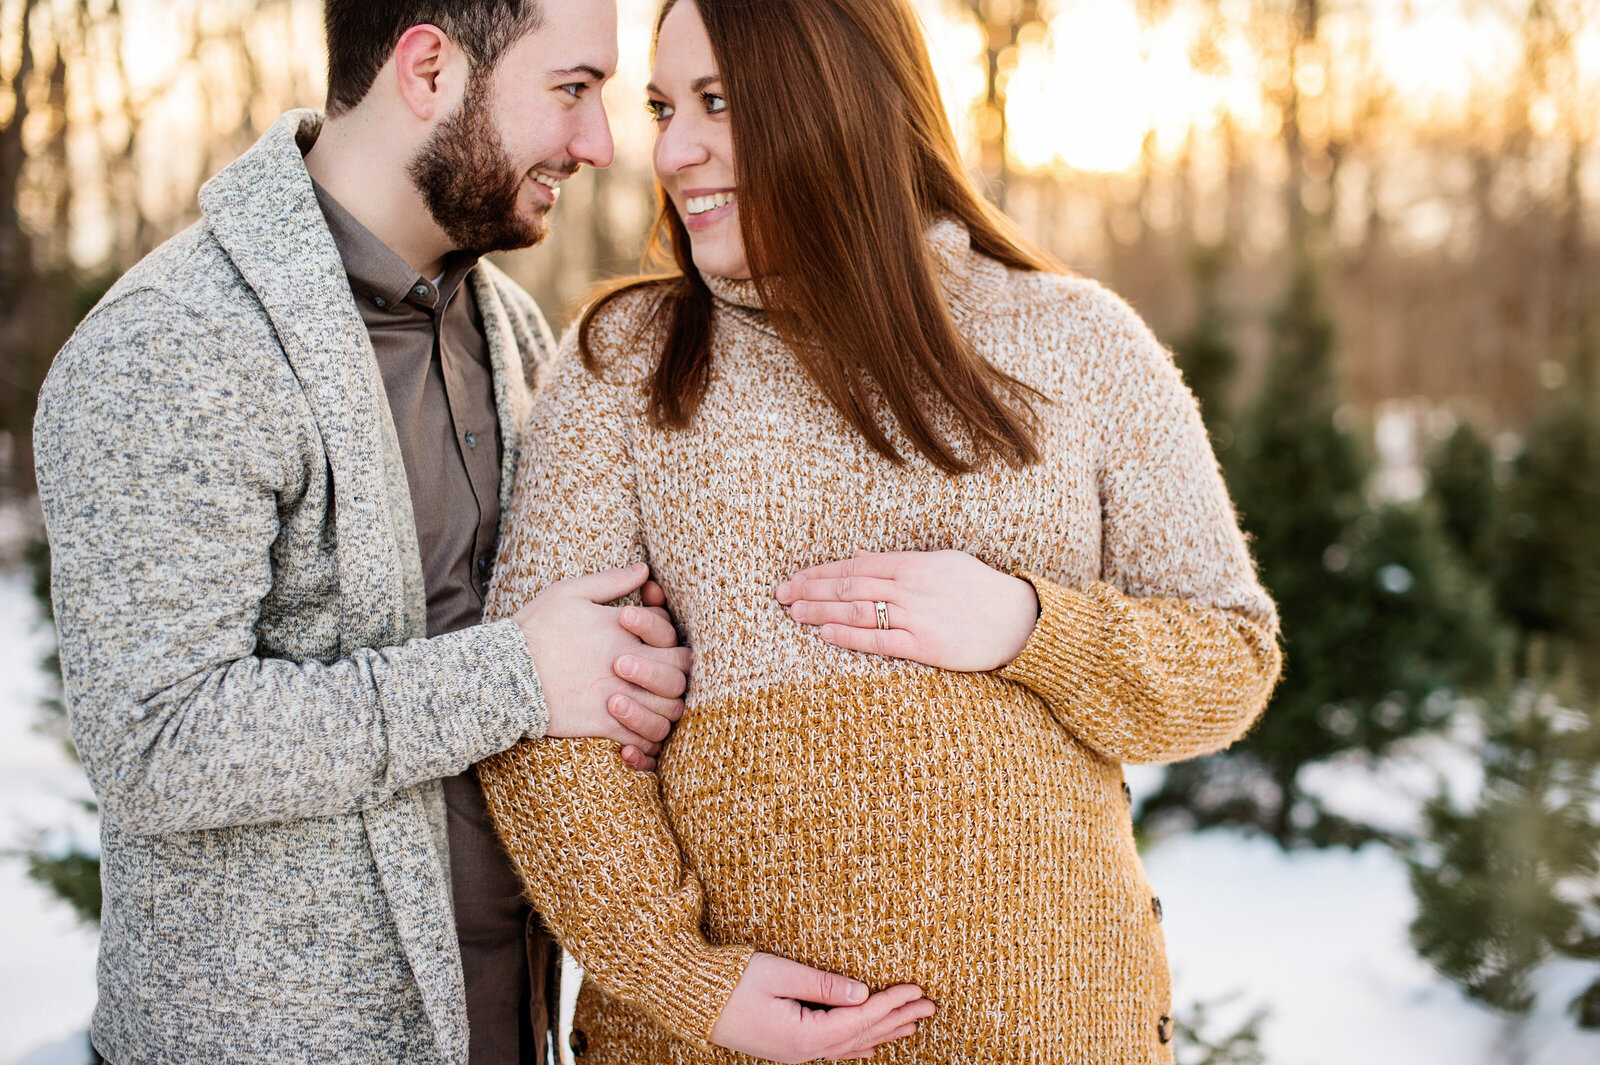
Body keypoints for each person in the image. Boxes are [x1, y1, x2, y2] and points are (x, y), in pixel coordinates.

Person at [33, 2, 915, 1062]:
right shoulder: (174, 344)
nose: (599, 144)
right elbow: (156, 743)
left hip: (503, 1026)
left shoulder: (507, 328)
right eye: (572, 90)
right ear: (428, 68)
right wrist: (514, 676)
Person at [474, 0, 1284, 1062]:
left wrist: (1029, 627)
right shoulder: (623, 362)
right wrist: (681, 975)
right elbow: (550, 727)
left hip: (1055, 1028)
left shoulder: (1079, 343)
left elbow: (1229, 658)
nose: (671, 150)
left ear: (843, 100)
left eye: (718, 103)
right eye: (665, 106)